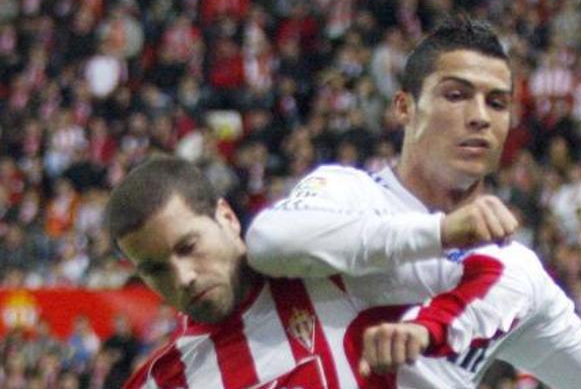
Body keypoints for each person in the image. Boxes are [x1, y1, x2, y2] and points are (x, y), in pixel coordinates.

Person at [246, 16, 581, 388]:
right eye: (456, 95)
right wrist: (441, 232)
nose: (480, 116)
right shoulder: (348, 192)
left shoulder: (514, 273)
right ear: (405, 108)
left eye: (497, 102)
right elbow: (268, 242)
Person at [104, 155, 512, 388]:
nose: (183, 277)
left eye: (188, 247)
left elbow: (502, 274)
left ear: (226, 217)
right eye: (156, 270)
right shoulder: (164, 381)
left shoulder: (328, 261)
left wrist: (442, 233)